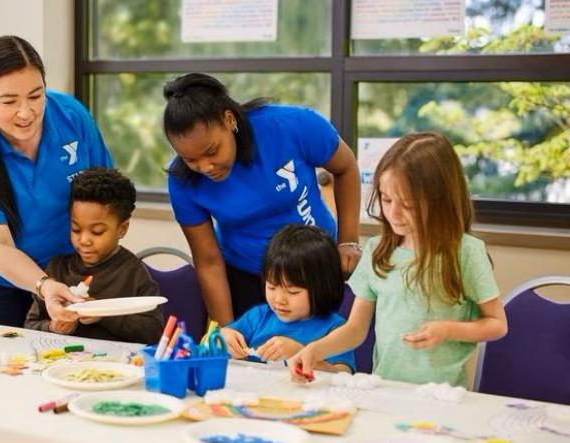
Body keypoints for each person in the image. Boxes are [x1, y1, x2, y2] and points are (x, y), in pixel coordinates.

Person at [289, 133, 508, 387]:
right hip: (387, 389)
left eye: (408, 204)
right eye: (387, 199)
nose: (393, 213)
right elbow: (356, 329)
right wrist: (314, 350)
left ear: (440, 200)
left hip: (444, 395)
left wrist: (448, 329)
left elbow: (497, 324)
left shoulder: (466, 252)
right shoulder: (377, 250)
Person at [163, 73, 362, 326]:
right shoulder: (182, 180)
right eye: (190, 159)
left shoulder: (291, 126)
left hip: (317, 266)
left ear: (229, 119)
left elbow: (345, 168)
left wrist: (348, 240)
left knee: (323, 353)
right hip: (247, 276)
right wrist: (226, 330)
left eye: (211, 151)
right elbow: (209, 262)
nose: (205, 167)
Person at [0, 35, 113, 327]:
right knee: (7, 364)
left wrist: (102, 267)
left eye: (36, 96)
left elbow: (107, 194)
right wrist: (44, 285)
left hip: (65, 267)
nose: (26, 112)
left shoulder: (71, 116)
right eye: (9, 101)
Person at [25, 167, 164, 343]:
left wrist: (102, 313)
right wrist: (53, 327)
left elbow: (154, 331)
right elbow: (30, 325)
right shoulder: (57, 269)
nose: (84, 240)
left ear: (122, 229)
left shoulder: (133, 273)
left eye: (97, 232)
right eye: (76, 229)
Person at [220, 224, 355, 372]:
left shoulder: (335, 329)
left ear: (323, 287)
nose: (279, 299)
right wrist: (224, 338)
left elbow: (343, 375)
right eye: (271, 287)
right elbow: (213, 342)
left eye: (293, 292)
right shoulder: (259, 317)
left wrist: (299, 353)